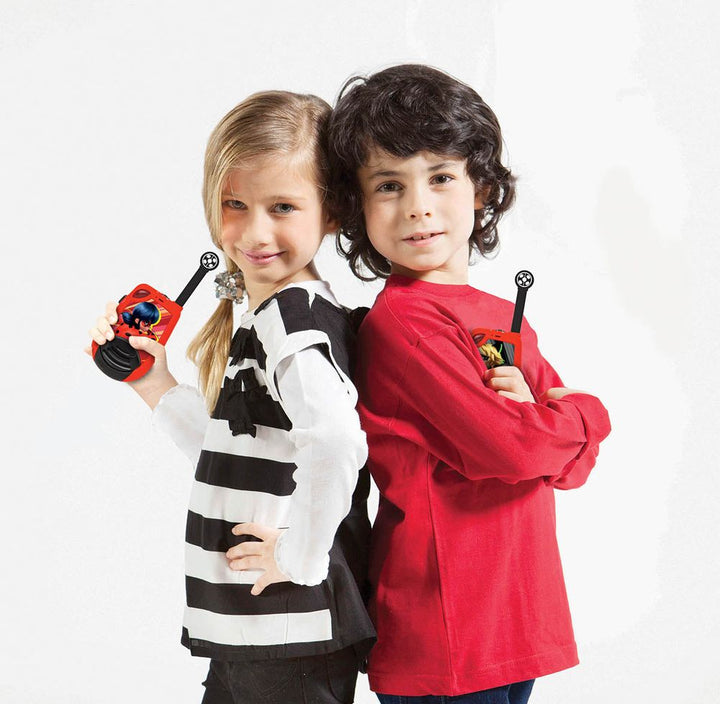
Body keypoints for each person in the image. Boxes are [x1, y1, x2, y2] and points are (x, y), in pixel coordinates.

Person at [326, 64, 612, 704]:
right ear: (357, 208)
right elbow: (517, 449)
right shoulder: (406, 325)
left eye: (441, 176)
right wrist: (587, 414)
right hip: (447, 631)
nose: (418, 205)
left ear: (480, 187)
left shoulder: (498, 315)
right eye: (389, 185)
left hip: (513, 617)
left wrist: (552, 431)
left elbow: (571, 468)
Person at [87, 91, 375, 704]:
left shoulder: (293, 323)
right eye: (235, 204)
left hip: (288, 627)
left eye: (283, 207)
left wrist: (298, 560)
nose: (255, 231)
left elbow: (336, 443)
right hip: (256, 626)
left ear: (332, 211)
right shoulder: (275, 315)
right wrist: (154, 384)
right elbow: (242, 450)